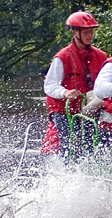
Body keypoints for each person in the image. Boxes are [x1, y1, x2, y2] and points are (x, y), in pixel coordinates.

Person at [42, 11, 107, 159]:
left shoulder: (101, 56)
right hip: (64, 112)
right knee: (68, 144)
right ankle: (67, 167)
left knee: (94, 143)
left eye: (91, 31)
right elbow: (50, 85)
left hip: (90, 109)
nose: (90, 35)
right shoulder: (62, 57)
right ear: (75, 32)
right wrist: (65, 93)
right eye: (86, 32)